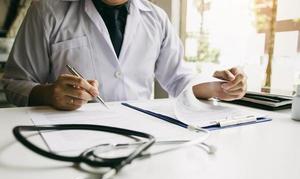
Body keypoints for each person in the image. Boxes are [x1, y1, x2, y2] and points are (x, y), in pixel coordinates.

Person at [2, 0, 247, 110]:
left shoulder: (156, 17)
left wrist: (217, 89)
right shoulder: (46, 10)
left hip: (139, 134)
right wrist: (48, 94)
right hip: (68, 134)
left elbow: (178, 79)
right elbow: (14, 83)